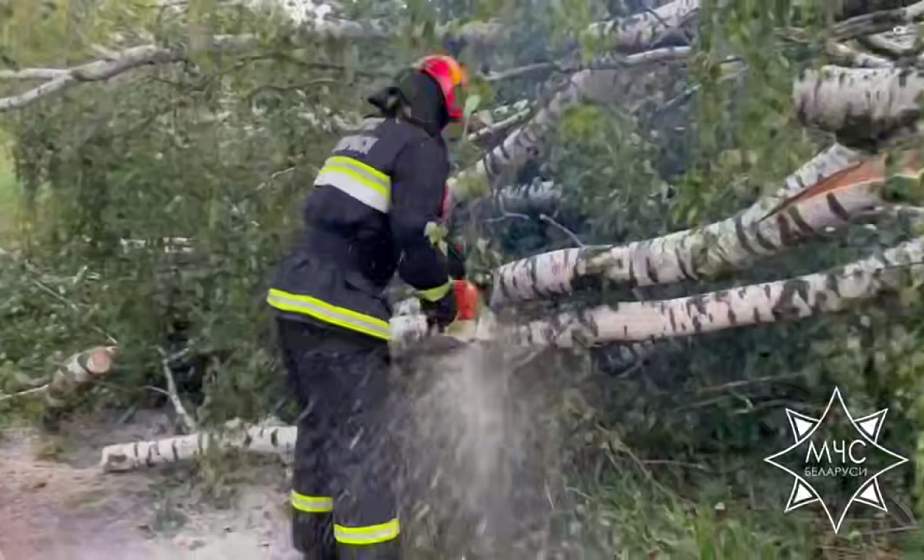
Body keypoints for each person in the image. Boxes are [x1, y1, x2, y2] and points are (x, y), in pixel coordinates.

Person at [267, 55, 468, 559]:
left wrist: (450, 264)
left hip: (294, 298)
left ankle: (317, 548)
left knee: (320, 428)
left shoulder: (366, 138)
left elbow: (380, 227)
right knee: (363, 449)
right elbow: (412, 233)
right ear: (438, 105)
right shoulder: (422, 148)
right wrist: (441, 297)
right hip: (340, 309)